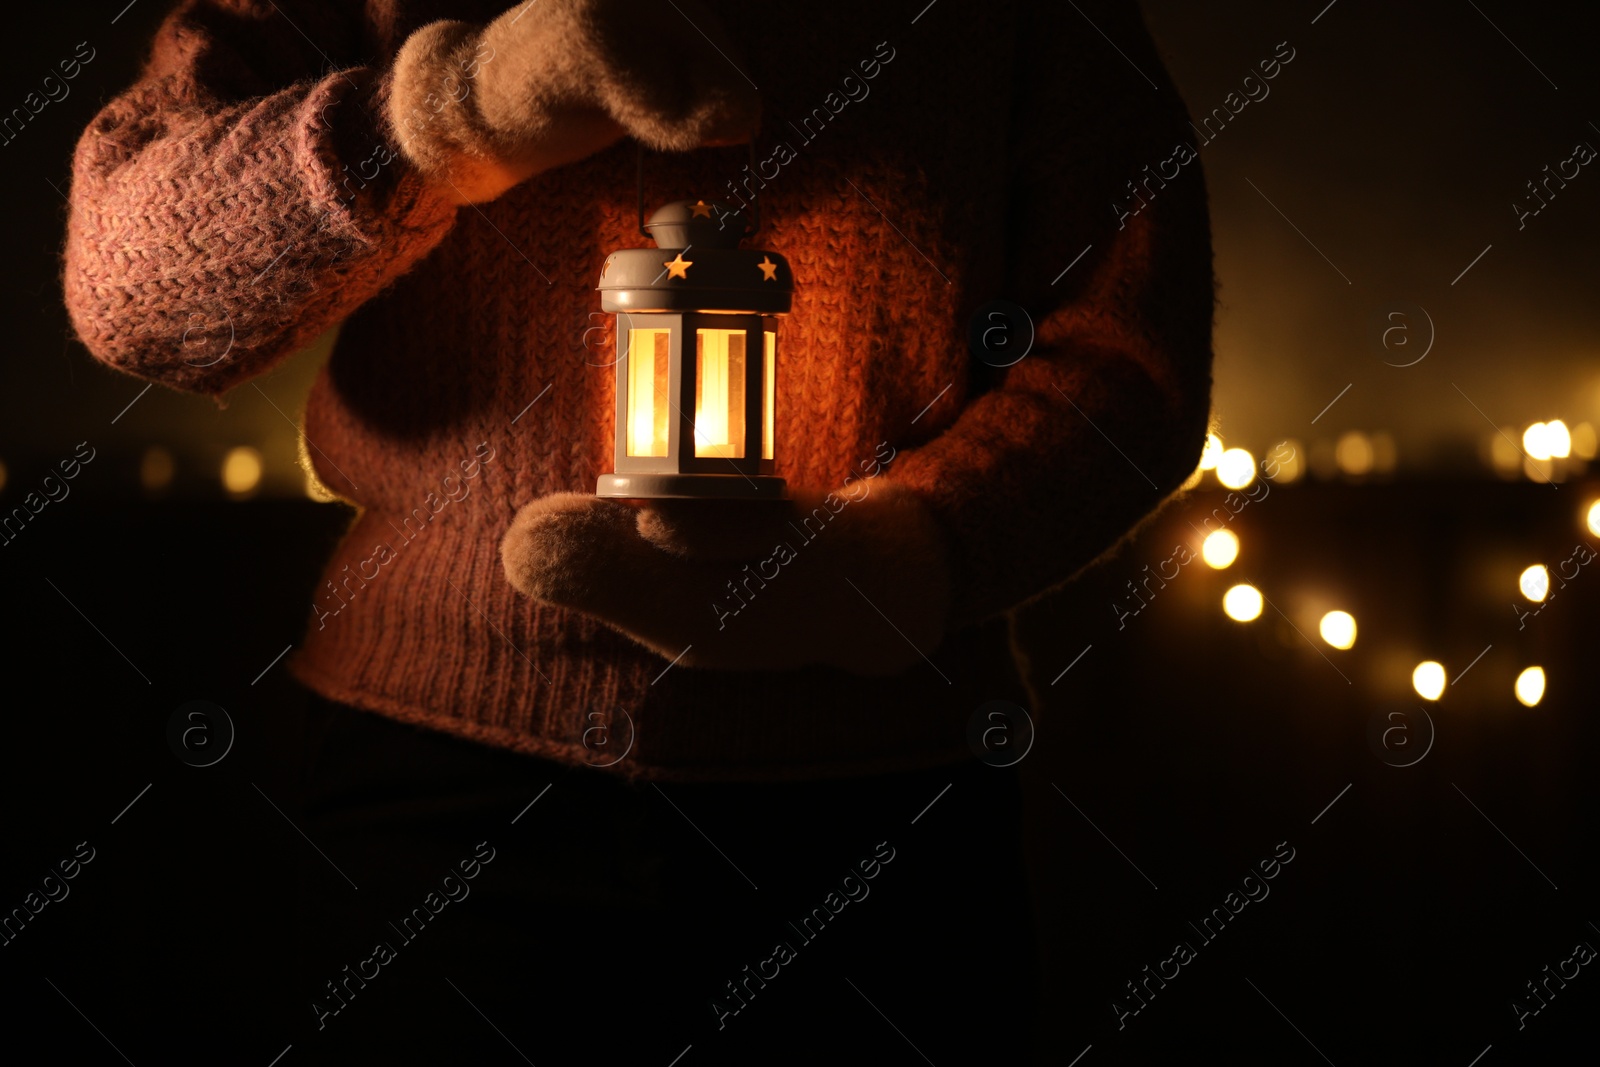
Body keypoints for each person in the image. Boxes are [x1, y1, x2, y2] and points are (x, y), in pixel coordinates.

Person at [63, 1, 1213, 1061]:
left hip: (881, 809)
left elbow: (1125, 358)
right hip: (432, 792)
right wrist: (448, 110)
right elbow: (132, 287)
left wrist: (893, 560)